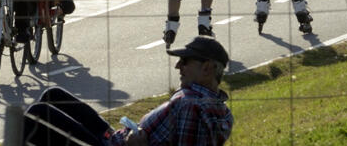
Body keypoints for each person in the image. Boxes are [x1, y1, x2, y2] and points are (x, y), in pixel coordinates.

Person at [22, 36, 234, 146]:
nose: (178, 66)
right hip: (117, 137)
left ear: (207, 68)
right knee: (53, 95)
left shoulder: (191, 105)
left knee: (34, 116)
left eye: (185, 61)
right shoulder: (219, 109)